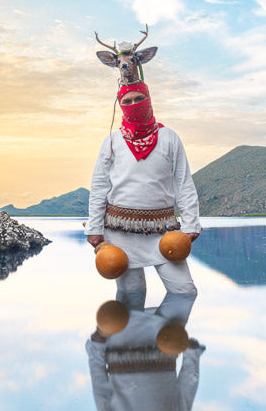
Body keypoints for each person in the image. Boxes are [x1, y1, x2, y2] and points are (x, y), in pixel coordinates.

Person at [86, 81, 201, 295]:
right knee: (132, 294)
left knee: (184, 291)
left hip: (163, 232)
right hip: (120, 233)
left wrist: (191, 223)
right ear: (120, 106)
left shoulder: (169, 137)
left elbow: (183, 182)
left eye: (139, 99)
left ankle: (169, 328)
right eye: (127, 101)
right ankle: (137, 328)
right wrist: (94, 228)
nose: (134, 104)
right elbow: (99, 186)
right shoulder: (112, 141)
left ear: (148, 99)